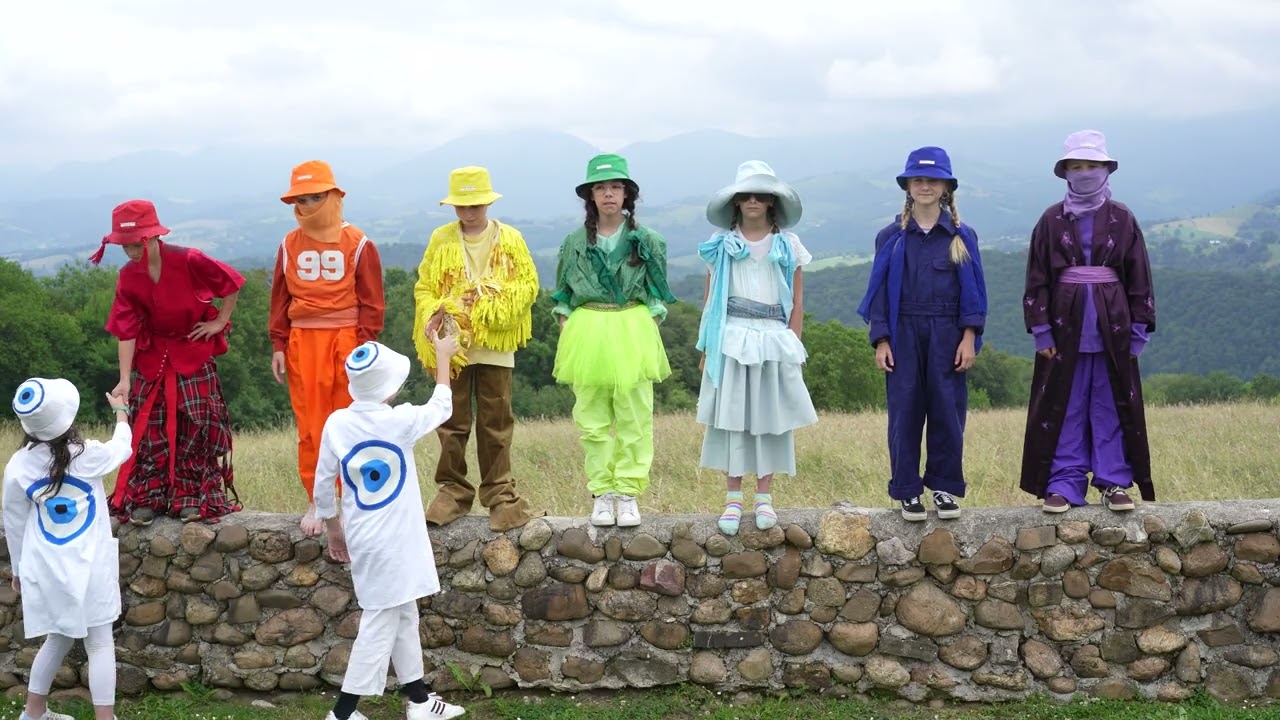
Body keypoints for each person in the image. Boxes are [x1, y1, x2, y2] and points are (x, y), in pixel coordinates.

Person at [314, 333, 466, 720]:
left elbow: (322, 480)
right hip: (397, 542)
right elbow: (442, 405)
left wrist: (332, 525)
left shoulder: (337, 423)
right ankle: (344, 712)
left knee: (403, 614)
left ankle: (418, 700)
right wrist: (443, 357)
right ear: (389, 387)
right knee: (380, 621)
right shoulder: (400, 421)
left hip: (365, 539)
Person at [1020, 130, 1156, 513]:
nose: (1084, 173)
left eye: (1092, 165)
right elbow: (1037, 278)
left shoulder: (1123, 219)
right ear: (1065, 172)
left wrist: (1139, 329)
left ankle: (1114, 480)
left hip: (1113, 329)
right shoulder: (1050, 220)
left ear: (1106, 170)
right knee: (1065, 406)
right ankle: (1064, 481)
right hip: (1064, 330)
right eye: (1076, 166)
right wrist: (1041, 329)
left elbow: (1139, 276)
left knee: (1110, 405)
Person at [93, 198, 243, 526]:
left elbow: (230, 283)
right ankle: (149, 498)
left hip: (192, 350)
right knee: (150, 429)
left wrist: (219, 322)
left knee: (195, 425)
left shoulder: (190, 259)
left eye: (137, 244)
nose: (132, 252)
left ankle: (191, 498)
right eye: (126, 246)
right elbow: (126, 330)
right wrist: (124, 379)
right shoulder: (128, 277)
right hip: (153, 357)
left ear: (153, 237)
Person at [857, 147, 987, 522]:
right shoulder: (892, 237)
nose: (925, 185)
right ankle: (907, 490)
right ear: (908, 187)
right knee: (904, 412)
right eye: (918, 179)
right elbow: (879, 292)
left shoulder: (962, 235)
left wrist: (969, 337)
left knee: (948, 410)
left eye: (932, 180)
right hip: (903, 333)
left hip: (948, 333)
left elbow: (975, 292)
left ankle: (945, 488)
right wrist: (881, 339)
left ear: (946, 186)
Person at [412, 166, 541, 532]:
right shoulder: (440, 240)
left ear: (487, 202)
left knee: (495, 421)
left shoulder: (511, 238)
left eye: (476, 204)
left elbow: (527, 284)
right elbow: (424, 287)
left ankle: (500, 493)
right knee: (450, 421)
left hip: (495, 348)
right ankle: (452, 491)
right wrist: (439, 310)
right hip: (451, 347)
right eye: (461, 205)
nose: (469, 212)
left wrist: (491, 301)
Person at [551, 153, 676, 527]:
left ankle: (629, 492)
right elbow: (562, 295)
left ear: (627, 195)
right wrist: (567, 327)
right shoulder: (573, 242)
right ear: (590, 195)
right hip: (588, 328)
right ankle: (602, 492)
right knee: (591, 417)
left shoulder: (648, 241)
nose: (608, 194)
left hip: (630, 327)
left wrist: (647, 324)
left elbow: (659, 293)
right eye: (601, 187)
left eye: (616, 187)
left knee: (634, 415)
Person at [696, 161, 818, 536]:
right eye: (745, 195)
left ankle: (764, 495)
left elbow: (796, 299)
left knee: (769, 418)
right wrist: (706, 347)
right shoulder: (721, 246)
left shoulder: (788, 246)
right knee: (732, 417)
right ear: (735, 202)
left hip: (771, 336)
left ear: (770, 202)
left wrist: (793, 343)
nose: (752, 201)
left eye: (760, 195)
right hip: (732, 335)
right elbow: (710, 298)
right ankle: (733, 496)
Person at [270, 160, 386, 538]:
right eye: (301, 199)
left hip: (348, 340)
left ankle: (356, 498)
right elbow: (279, 298)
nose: (308, 205)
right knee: (311, 426)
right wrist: (278, 344)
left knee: (353, 420)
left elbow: (372, 301)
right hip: (303, 342)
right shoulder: (289, 244)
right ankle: (319, 501)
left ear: (335, 196)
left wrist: (366, 347)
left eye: (316, 196)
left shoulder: (359, 242)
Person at [4, 378, 132, 720]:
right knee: (100, 644)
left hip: (48, 567)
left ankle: (33, 714)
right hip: (91, 566)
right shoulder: (87, 456)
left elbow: (14, 522)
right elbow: (122, 447)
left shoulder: (19, 466)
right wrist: (121, 413)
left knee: (57, 638)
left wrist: (18, 570)